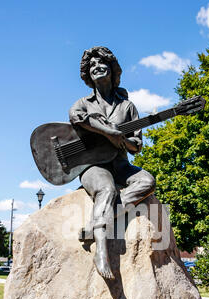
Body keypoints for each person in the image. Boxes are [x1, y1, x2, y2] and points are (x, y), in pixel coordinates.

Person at [69, 46, 155, 280]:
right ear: (88, 74)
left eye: (101, 62)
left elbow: (137, 146)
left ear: (112, 68)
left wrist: (122, 140)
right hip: (92, 167)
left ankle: (102, 219)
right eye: (91, 65)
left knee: (147, 181)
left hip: (120, 165)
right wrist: (108, 132)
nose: (96, 66)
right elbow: (76, 117)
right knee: (106, 189)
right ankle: (101, 252)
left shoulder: (127, 107)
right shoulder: (84, 103)